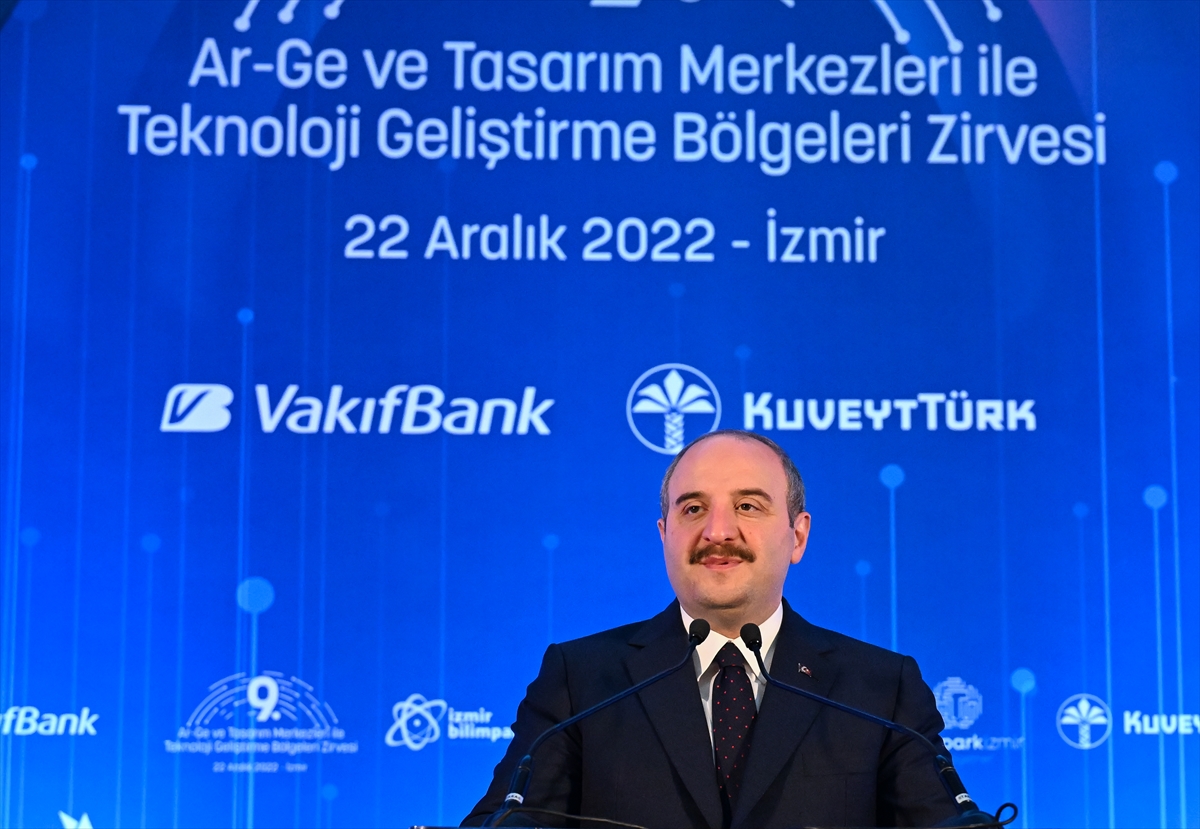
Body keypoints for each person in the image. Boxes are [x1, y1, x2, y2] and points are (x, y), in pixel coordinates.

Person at [463, 430, 959, 828]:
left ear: (798, 535)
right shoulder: (581, 681)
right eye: (693, 509)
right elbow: (507, 821)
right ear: (665, 536)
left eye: (748, 506)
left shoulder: (879, 689)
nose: (717, 531)